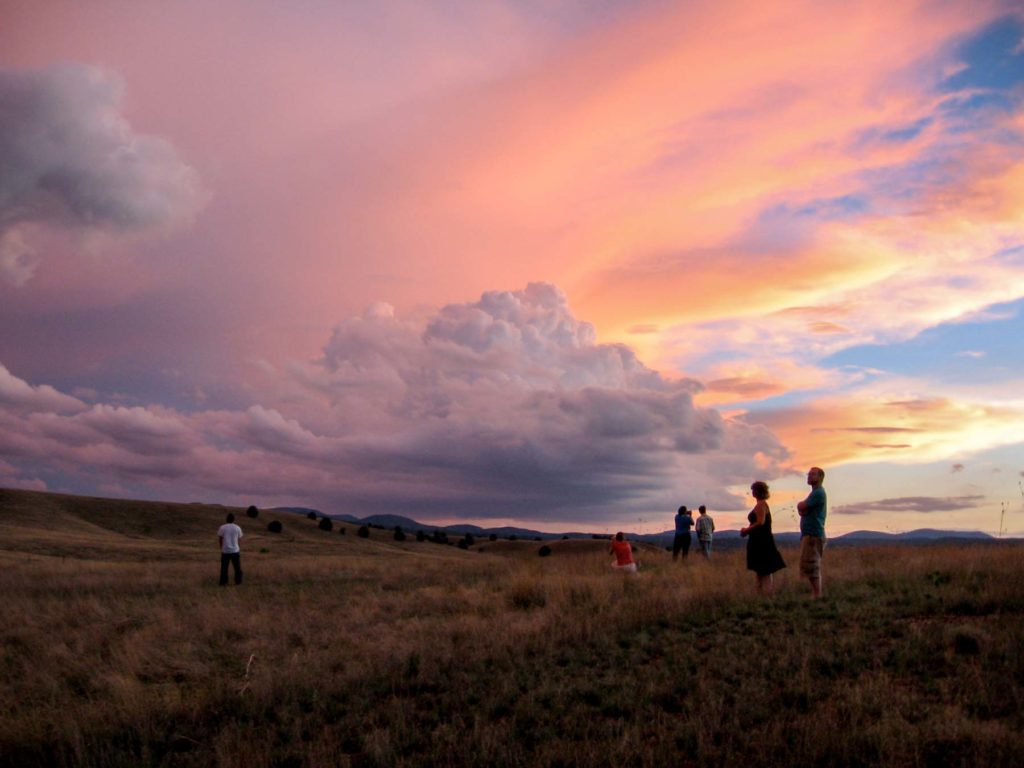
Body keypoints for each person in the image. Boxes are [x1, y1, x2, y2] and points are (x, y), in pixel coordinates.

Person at [741, 481, 786, 594]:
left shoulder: (761, 504)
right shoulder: (761, 504)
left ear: (758, 491)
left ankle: (767, 594)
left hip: (762, 541)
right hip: (759, 540)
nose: (752, 492)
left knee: (765, 569)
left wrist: (746, 530)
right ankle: (760, 594)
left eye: (754, 490)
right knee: (760, 569)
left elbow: (760, 522)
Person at [796, 466, 827, 599]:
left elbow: (802, 507)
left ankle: (817, 595)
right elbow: (802, 509)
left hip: (813, 535)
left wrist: (802, 507)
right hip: (811, 534)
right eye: (808, 474)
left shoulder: (818, 493)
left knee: (812, 565)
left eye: (813, 474)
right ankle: (816, 594)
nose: (809, 476)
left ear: (820, 477)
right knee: (809, 565)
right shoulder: (815, 493)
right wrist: (802, 508)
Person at [218, 513, 244, 586]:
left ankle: (223, 582)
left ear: (226, 519)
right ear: (233, 520)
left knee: (224, 568)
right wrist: (238, 547)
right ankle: (238, 582)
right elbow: (239, 539)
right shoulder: (237, 528)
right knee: (237, 568)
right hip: (235, 550)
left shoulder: (222, 527)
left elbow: (220, 538)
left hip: (225, 550)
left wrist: (221, 547)